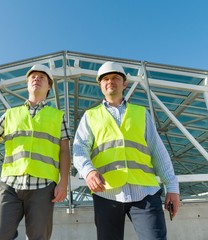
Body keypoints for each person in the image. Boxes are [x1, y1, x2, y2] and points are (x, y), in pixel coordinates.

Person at [0, 64, 71, 240]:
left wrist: (64, 182)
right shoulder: (10, 114)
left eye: (42, 77)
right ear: (27, 84)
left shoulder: (58, 116)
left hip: (43, 186)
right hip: (9, 185)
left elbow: (65, 151)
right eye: (33, 77)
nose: (36, 79)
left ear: (49, 86)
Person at [73, 61, 180, 240]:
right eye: (105, 79)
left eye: (115, 77)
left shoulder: (141, 113)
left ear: (125, 83)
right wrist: (88, 171)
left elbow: (158, 151)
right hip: (107, 193)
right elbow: (79, 148)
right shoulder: (90, 116)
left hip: (145, 192)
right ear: (100, 85)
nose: (110, 81)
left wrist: (172, 187)